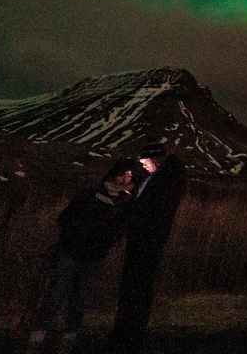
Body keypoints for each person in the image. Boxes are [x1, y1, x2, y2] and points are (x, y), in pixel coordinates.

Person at [26, 160, 138, 352]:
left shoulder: (124, 202)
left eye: (130, 176)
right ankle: (39, 332)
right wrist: (75, 235)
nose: (127, 178)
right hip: (71, 250)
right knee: (57, 292)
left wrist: (106, 241)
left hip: (93, 255)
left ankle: (70, 334)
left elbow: (119, 229)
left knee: (79, 296)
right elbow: (66, 218)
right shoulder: (90, 194)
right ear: (115, 174)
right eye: (124, 174)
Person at [110, 140, 187, 350]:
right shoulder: (153, 179)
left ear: (156, 160)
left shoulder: (167, 181)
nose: (143, 165)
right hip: (140, 239)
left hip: (148, 241)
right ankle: (125, 330)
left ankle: (130, 334)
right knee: (133, 286)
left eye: (145, 161)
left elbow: (152, 210)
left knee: (139, 287)